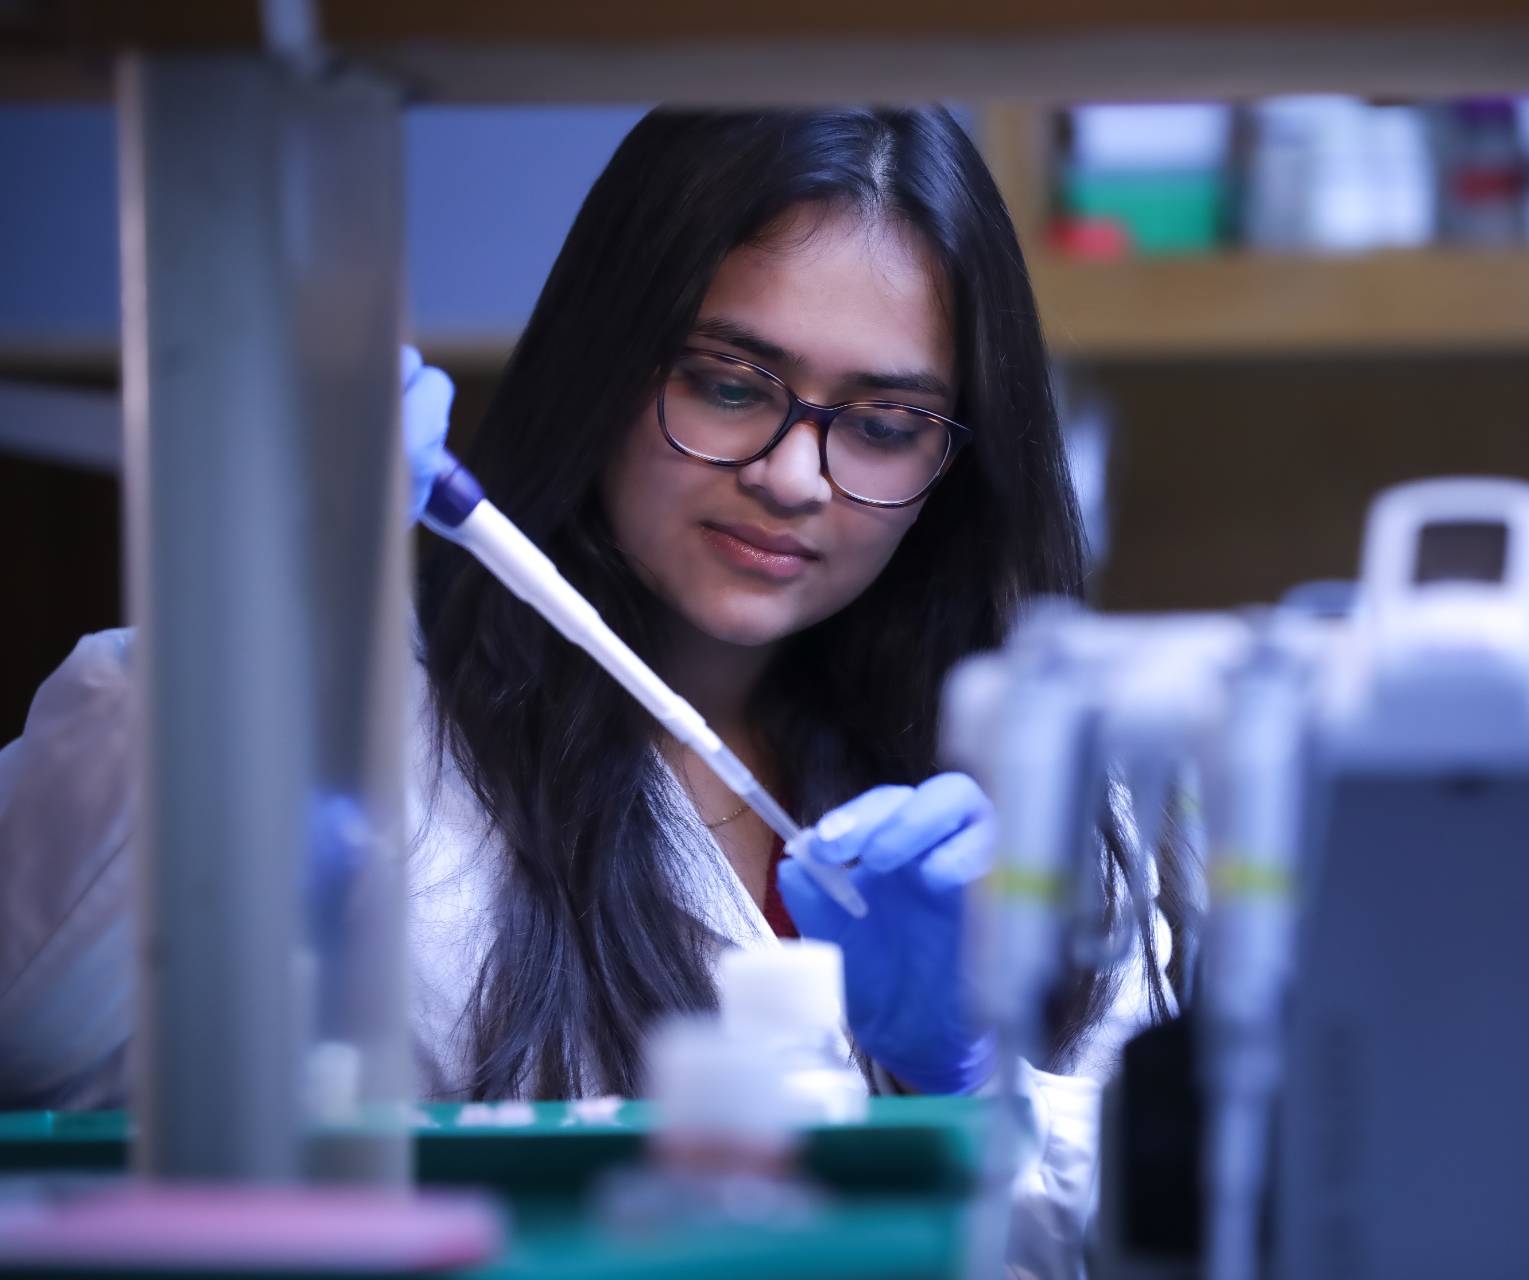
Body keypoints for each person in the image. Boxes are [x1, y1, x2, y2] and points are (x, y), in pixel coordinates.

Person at [0, 107, 1182, 1275]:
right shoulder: (356, 733)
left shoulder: (1043, 798)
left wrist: (968, 1078)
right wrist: (264, 606)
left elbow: (1166, 1237)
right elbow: (39, 1036)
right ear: (608, 358)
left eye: (881, 422)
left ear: (955, 462)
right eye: (727, 382)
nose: (789, 475)